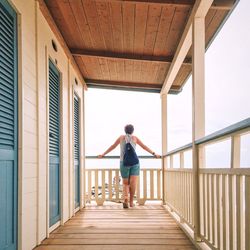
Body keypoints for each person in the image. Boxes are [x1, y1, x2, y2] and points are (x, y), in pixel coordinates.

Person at [98, 124, 161, 208]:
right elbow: (144, 147)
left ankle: (125, 199)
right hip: (134, 163)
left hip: (124, 162)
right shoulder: (135, 138)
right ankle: (131, 202)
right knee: (133, 183)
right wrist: (154, 153)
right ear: (133, 131)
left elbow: (113, 146)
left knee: (125, 183)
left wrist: (103, 154)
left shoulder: (121, 138)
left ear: (125, 130)